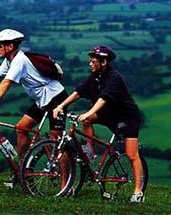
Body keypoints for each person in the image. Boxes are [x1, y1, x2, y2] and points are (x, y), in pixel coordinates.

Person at [0, 29, 68, 187]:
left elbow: (6, 83)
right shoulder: (9, 60)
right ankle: (23, 171)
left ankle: (65, 185)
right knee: (21, 129)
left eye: (0, 45)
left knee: (57, 140)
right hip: (42, 100)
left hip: (56, 98)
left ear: (10, 46)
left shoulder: (19, 61)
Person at [53, 45, 145, 203]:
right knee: (87, 121)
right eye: (90, 61)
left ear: (104, 62)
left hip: (127, 117)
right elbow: (79, 92)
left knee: (131, 154)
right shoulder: (95, 76)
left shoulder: (114, 78)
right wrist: (60, 106)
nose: (90, 64)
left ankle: (138, 191)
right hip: (109, 115)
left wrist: (88, 112)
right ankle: (90, 152)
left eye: (93, 61)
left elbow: (103, 99)